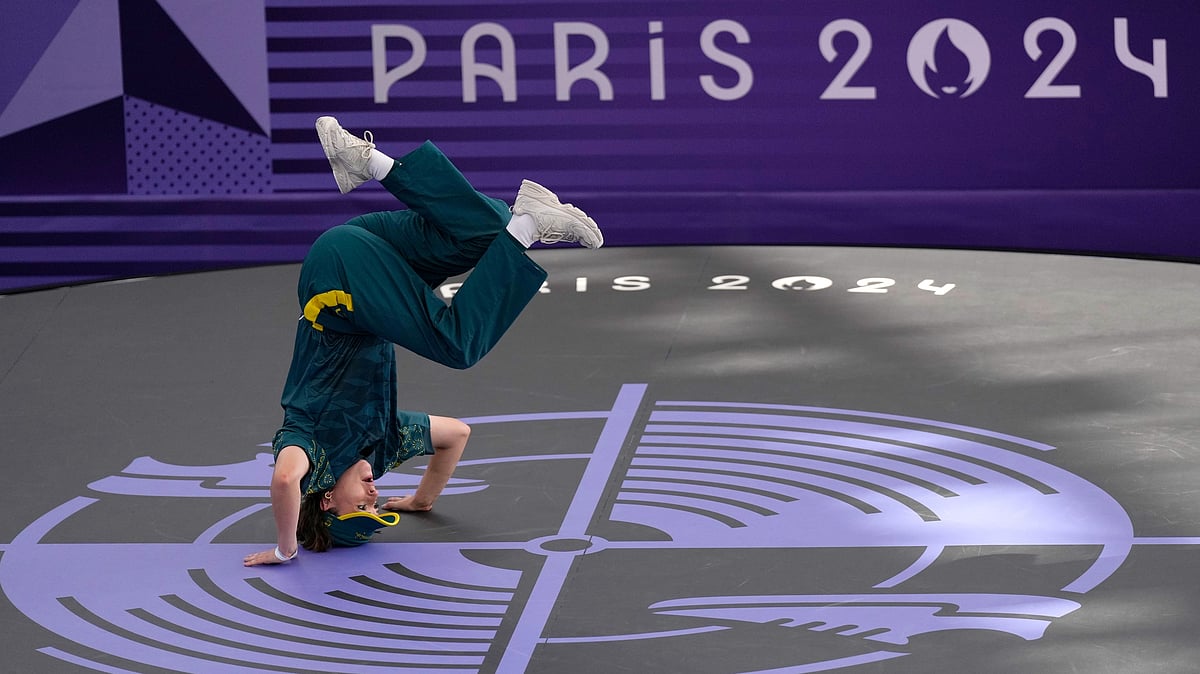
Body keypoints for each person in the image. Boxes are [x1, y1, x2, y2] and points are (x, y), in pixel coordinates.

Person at [243, 117, 602, 566]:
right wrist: (421, 500)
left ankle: (530, 230)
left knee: (457, 344)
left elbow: (283, 482)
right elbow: (456, 434)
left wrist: (286, 547)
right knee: (487, 232)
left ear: (326, 500)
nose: (374, 496)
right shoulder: (384, 443)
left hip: (337, 287)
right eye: (376, 506)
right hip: (362, 260)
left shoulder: (310, 451)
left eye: (361, 505)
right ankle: (367, 161)